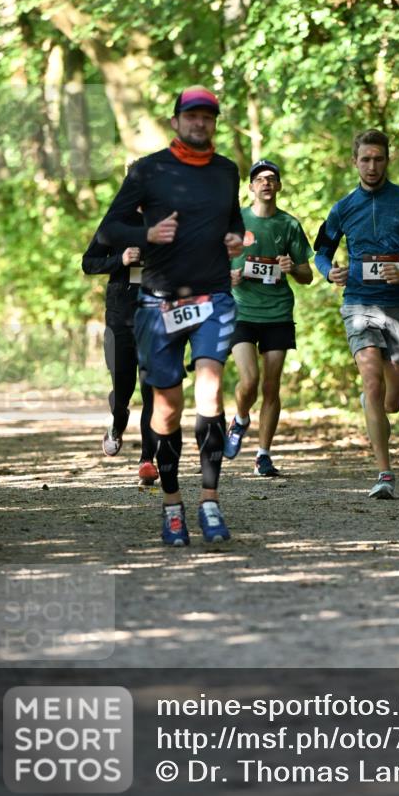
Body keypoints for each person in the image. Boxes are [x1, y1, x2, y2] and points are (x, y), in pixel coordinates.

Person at [98, 85, 244, 546]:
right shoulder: (148, 171)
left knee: (211, 388)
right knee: (166, 410)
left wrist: (236, 238)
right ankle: (172, 504)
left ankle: (210, 501)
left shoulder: (226, 171)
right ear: (176, 121)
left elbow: (233, 219)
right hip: (158, 302)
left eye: (209, 117)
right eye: (193, 116)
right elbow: (108, 230)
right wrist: (147, 232)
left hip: (213, 296)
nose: (201, 123)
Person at [314, 129, 399, 499]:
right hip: (359, 302)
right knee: (372, 380)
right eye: (365, 159)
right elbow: (321, 250)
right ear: (355, 162)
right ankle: (384, 473)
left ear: (388, 160)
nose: (372, 166)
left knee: (393, 400)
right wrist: (328, 271)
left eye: (379, 159)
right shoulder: (342, 207)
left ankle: (374, 405)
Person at [224, 159, 313, 476]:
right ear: (250, 187)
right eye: (259, 179)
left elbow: (307, 275)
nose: (266, 183)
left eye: (271, 178)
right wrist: (227, 276)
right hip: (241, 311)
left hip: (277, 313)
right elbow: (211, 264)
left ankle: (263, 454)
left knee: (272, 386)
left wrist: (293, 269)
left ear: (278, 186)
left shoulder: (288, 225)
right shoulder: (236, 222)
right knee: (249, 381)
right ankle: (241, 418)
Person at [82, 212, 158, 485]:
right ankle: (117, 422)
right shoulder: (114, 223)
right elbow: (88, 263)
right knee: (122, 388)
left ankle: (148, 460)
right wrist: (121, 260)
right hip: (120, 317)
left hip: (155, 317)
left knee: (153, 391)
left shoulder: (168, 220)